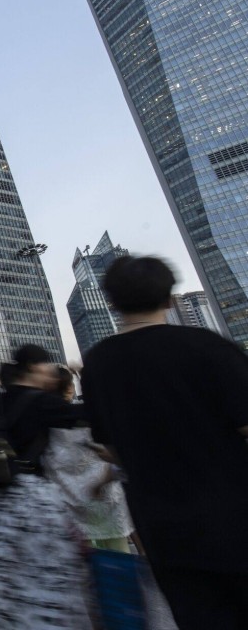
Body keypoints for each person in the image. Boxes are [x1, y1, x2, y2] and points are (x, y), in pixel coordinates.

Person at [81, 255, 248, 628]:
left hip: (164, 530)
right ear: (170, 299)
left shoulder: (98, 364)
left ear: (110, 302)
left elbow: (110, 447)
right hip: (236, 518)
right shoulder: (207, 346)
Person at [0, 343, 90, 629]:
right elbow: (86, 415)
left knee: (10, 580)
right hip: (34, 503)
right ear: (34, 368)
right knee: (46, 579)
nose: (51, 370)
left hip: (1, 504)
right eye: (47, 364)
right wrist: (82, 377)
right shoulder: (41, 402)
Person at [41, 365, 133, 553]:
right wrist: (82, 375)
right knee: (118, 556)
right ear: (69, 388)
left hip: (68, 500)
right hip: (105, 495)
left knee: (84, 560)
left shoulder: (45, 424)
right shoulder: (91, 416)